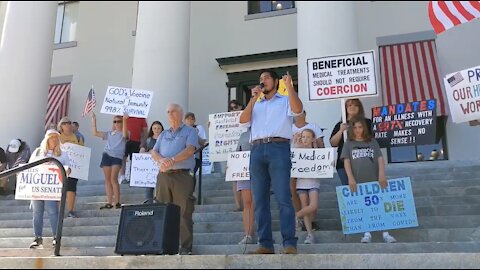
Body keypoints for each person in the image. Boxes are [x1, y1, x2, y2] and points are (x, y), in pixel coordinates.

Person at [239, 69, 303, 255]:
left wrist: (289, 87)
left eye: (266, 78)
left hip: (279, 147)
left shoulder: (285, 101)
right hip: (257, 149)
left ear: (275, 82)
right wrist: (252, 99)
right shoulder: (256, 104)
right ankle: (265, 243)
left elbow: (298, 110)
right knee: (259, 199)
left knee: (283, 197)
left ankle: (289, 242)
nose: (263, 81)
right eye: (260, 79)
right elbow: (243, 121)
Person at [151, 103, 199, 255]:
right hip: (164, 176)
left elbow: (190, 150)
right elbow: (154, 151)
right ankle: (162, 245)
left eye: (172, 111)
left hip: (182, 175)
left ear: (180, 113)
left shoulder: (190, 131)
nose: (169, 114)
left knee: (184, 212)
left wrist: (172, 160)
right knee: (162, 211)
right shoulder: (163, 134)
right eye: (167, 112)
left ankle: (185, 247)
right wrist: (162, 161)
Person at [341, 116, 397, 244]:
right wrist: (350, 178)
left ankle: (386, 233)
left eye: (360, 127)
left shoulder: (372, 141)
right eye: (354, 128)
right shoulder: (348, 144)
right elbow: (346, 161)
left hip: (375, 180)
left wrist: (382, 175)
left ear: (364, 128)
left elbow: (380, 158)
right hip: (359, 181)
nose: (357, 130)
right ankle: (367, 233)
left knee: (380, 206)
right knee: (364, 207)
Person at [28, 130, 71, 249]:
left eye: (56, 137)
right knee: (37, 212)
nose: (54, 140)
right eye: (51, 137)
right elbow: (30, 167)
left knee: (53, 212)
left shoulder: (63, 154)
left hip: (52, 189)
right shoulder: (37, 152)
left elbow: (68, 169)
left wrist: (66, 171)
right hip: (38, 188)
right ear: (46, 139)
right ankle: (37, 238)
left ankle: (56, 238)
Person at [291, 111, 325, 231]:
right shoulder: (289, 128)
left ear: (304, 113)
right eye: (294, 113)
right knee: (294, 193)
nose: (297, 115)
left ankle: (309, 220)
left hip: (311, 169)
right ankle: (302, 221)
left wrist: (325, 161)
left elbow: (321, 147)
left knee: (312, 200)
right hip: (295, 166)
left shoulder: (313, 127)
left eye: (299, 113)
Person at [330, 98, 372, 186]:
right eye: (349, 105)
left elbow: (373, 140)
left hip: (363, 161)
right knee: (349, 191)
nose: (352, 107)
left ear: (359, 108)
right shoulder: (340, 124)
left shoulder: (367, 122)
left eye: (355, 105)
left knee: (364, 189)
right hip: (343, 164)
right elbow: (333, 143)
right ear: (345, 108)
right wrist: (341, 131)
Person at [91, 112, 129, 209]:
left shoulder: (126, 132)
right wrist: (94, 120)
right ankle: (109, 202)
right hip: (107, 155)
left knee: (113, 178)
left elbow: (125, 136)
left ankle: (117, 202)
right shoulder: (110, 133)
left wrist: (124, 120)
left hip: (117, 157)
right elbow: (95, 133)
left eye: (118, 121)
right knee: (107, 179)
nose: (117, 123)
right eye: (115, 121)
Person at [293, 129, 320, 244]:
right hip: (301, 182)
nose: (305, 139)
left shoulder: (317, 151)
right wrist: (296, 143)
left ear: (313, 138)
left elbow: (324, 162)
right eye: (303, 137)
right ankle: (310, 234)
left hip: (313, 182)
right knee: (305, 208)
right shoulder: (297, 150)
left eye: (308, 137)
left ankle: (295, 216)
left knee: (313, 205)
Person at [58, 117, 84, 218]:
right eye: (65, 123)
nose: (68, 125)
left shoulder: (77, 137)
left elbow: (82, 152)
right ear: (61, 126)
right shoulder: (58, 137)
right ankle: (59, 211)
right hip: (61, 167)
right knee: (60, 189)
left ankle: (71, 210)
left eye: (69, 123)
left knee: (71, 189)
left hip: (74, 167)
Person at [235, 127, 256, 245]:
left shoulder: (266, 131)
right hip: (245, 172)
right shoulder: (244, 135)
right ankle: (248, 234)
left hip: (261, 172)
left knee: (260, 203)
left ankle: (264, 235)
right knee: (247, 203)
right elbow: (237, 152)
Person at [139, 121, 164, 201]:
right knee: (149, 185)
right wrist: (149, 152)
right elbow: (141, 151)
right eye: (155, 128)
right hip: (150, 167)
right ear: (152, 129)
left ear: (161, 129)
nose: (157, 130)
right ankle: (149, 202)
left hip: (161, 165)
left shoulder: (165, 139)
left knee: (161, 184)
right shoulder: (148, 140)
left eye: (158, 128)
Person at [120, 116, 148, 184]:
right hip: (124, 141)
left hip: (137, 142)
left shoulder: (141, 117)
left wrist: (143, 143)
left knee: (134, 160)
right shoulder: (123, 116)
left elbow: (145, 131)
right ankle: (122, 177)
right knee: (123, 158)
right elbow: (116, 128)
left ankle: (133, 178)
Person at [183, 112, 207, 191]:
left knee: (191, 174)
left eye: (192, 119)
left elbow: (202, 142)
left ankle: (191, 191)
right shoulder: (182, 129)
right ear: (184, 120)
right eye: (188, 119)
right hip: (184, 156)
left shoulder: (198, 128)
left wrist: (195, 133)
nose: (190, 121)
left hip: (195, 156)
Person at [228, 101, 244, 212]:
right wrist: (213, 126)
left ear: (241, 107)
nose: (234, 110)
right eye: (231, 108)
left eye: (236, 107)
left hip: (247, 151)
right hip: (234, 153)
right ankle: (238, 205)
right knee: (235, 180)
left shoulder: (248, 117)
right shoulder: (228, 122)